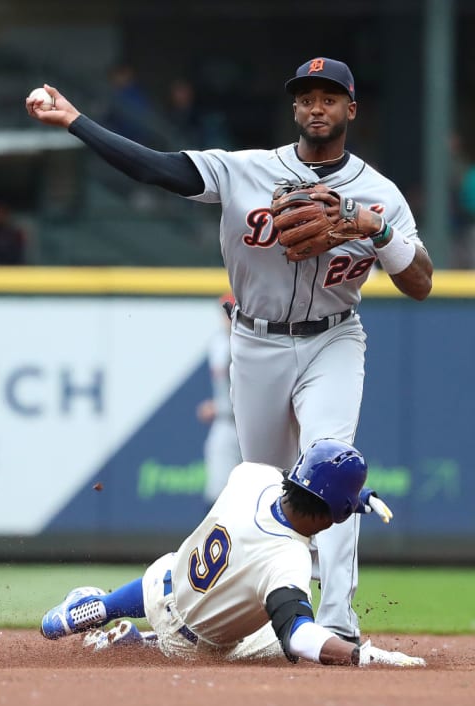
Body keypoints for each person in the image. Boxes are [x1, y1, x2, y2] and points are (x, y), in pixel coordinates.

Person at [26, 56, 433, 644]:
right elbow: (159, 169)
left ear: (350, 108)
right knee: (261, 500)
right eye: (306, 97)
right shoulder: (244, 171)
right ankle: (176, 610)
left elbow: (419, 283)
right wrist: (74, 120)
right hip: (256, 342)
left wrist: (376, 228)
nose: (316, 106)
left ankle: (340, 621)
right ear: (295, 108)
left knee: (333, 467)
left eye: (329, 97)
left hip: (335, 338)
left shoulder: (380, 194)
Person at [39, 438, 425, 668]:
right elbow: (299, 637)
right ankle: (142, 643)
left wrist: (355, 499)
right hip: (192, 647)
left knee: (177, 571)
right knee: (286, 646)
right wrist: (357, 655)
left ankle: (97, 609)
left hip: (163, 585)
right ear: (334, 516)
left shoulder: (254, 476)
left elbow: (308, 490)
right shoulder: (289, 562)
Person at [196, 293, 242, 514]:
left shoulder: (253, 343)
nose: (227, 318)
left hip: (251, 426)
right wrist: (219, 405)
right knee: (217, 494)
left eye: (231, 312)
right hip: (226, 423)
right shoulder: (217, 343)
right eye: (224, 312)